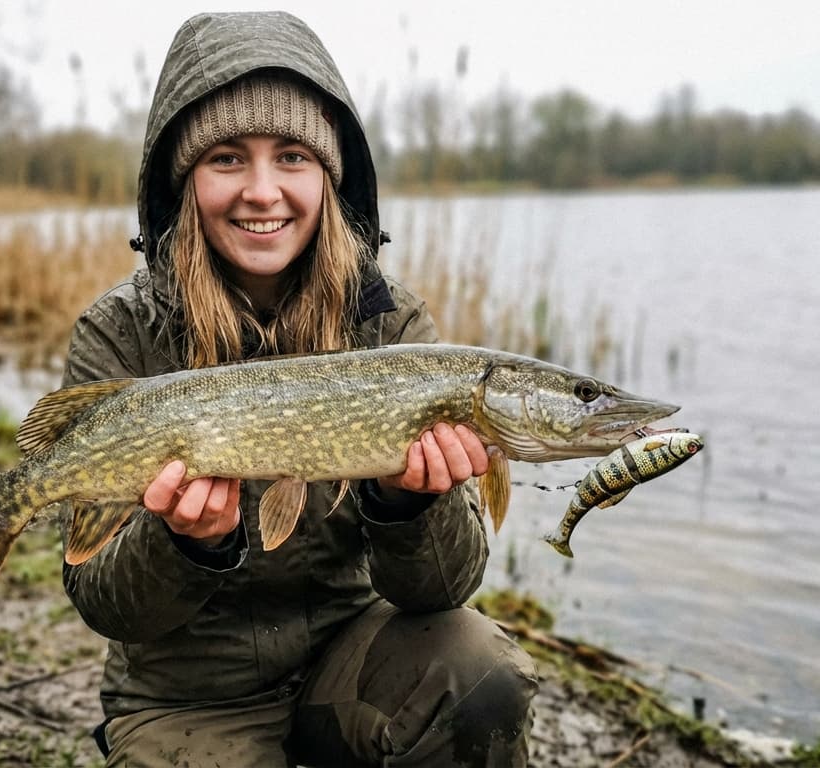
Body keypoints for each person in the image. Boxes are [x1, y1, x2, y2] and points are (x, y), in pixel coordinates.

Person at [61, 11, 538, 767]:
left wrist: (411, 503)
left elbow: (442, 590)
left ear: (329, 174)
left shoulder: (393, 323)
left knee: (479, 673)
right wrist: (187, 544)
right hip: (187, 694)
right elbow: (106, 604)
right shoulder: (120, 332)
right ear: (184, 179)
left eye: (291, 156)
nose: (262, 191)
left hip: (347, 662)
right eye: (225, 158)